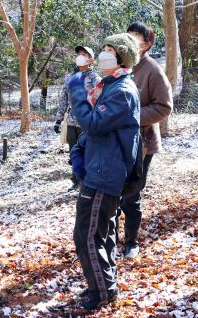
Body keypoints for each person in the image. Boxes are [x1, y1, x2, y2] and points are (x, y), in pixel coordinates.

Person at [67, 33, 140, 310]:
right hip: (99, 168)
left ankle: (101, 293)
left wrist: (75, 91)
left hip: (106, 173)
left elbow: (94, 123)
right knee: (102, 232)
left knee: (87, 234)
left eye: (110, 50)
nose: (104, 54)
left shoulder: (122, 91)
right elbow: (96, 131)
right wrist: (79, 152)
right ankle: (106, 286)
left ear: (122, 57)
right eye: (104, 48)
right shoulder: (108, 86)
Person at [115, 22, 172, 259]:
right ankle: (109, 238)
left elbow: (164, 107)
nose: (131, 39)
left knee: (130, 193)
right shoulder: (119, 66)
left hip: (142, 142)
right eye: (129, 34)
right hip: (115, 140)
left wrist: (132, 117)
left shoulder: (152, 70)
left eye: (137, 36)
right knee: (112, 191)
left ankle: (131, 241)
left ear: (147, 44)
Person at [53, 46, 99, 191]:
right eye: (79, 54)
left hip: (88, 123)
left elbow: (100, 101)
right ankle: (76, 181)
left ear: (90, 59)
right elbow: (63, 100)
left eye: (84, 54)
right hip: (72, 122)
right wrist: (58, 119)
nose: (80, 56)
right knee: (74, 152)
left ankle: (89, 182)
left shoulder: (95, 78)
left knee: (89, 152)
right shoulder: (70, 78)